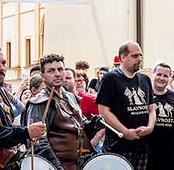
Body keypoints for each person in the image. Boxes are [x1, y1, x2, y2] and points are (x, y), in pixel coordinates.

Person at [21, 54, 94, 170]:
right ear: (43, 76)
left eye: (60, 69)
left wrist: (94, 124)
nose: (57, 74)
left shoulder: (70, 97)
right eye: (51, 71)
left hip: (78, 164)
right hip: (54, 166)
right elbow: (39, 144)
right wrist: (57, 167)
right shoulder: (39, 102)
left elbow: (81, 128)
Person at [96, 41, 156, 170]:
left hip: (142, 145)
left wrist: (150, 127)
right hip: (119, 145)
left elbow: (151, 108)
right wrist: (125, 131)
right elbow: (103, 111)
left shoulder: (145, 79)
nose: (139, 59)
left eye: (140, 55)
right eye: (134, 56)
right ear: (123, 57)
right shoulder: (110, 78)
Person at [147, 62, 174, 170]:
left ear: (170, 78)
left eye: (165, 76)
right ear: (152, 75)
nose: (162, 78)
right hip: (147, 151)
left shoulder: (172, 96)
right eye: (159, 74)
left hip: (170, 151)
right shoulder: (145, 94)